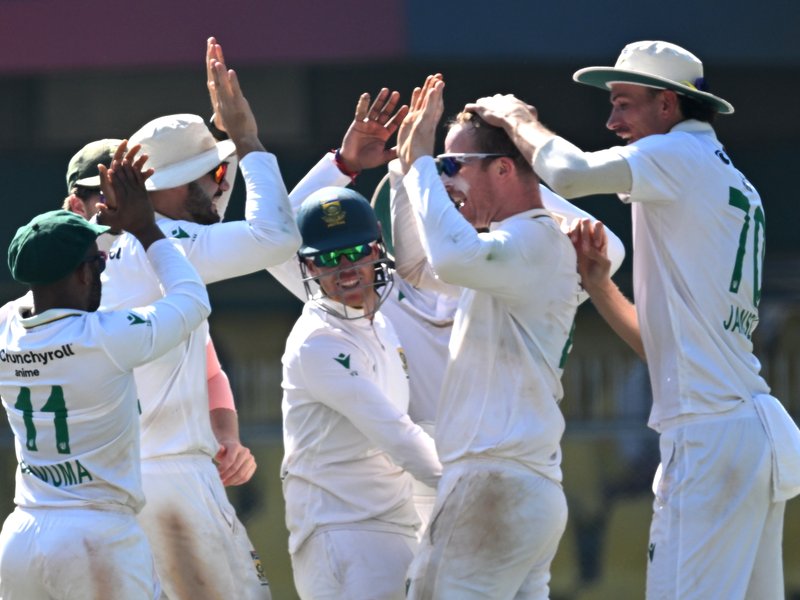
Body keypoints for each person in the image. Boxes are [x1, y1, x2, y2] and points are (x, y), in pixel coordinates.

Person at [469, 40, 800, 599]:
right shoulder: (724, 175)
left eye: (623, 104)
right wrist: (600, 285)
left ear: (667, 104)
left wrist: (517, 119)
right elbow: (660, 347)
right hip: (748, 433)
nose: (611, 120)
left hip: (708, 437)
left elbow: (569, 173)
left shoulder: (679, 155)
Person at [98, 38, 301, 599]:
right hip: (173, 478)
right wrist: (247, 140)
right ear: (176, 187)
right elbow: (276, 235)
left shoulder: (127, 246)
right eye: (214, 175)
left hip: (125, 476)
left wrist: (219, 157)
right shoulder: (172, 245)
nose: (222, 184)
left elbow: (207, 214)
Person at [394, 74, 580, 599]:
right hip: (526, 487)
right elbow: (422, 267)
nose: (445, 178)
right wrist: (412, 168)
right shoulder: (526, 242)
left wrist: (418, 164)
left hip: (492, 483)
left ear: (503, 168)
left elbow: (451, 258)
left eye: (453, 165)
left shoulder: (528, 240)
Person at [0, 143, 211, 599]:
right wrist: (145, 228)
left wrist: (87, 238)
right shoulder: (107, 338)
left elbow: (41, 285)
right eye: (97, 263)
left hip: (21, 536)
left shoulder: (6, 327)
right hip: (97, 537)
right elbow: (193, 301)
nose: (102, 270)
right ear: (82, 274)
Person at [270, 184, 442, 600]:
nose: (345, 270)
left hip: (393, 524)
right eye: (329, 259)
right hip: (341, 530)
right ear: (309, 266)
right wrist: (469, 487)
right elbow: (396, 434)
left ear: (377, 248)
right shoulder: (318, 342)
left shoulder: (379, 322)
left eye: (355, 252)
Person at [65, 132, 253, 489]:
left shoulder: (165, 263)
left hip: (172, 479)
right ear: (77, 207)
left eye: (139, 192)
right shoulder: (58, 292)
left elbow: (211, 373)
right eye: (110, 193)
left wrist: (227, 437)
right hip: (99, 485)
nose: (126, 205)